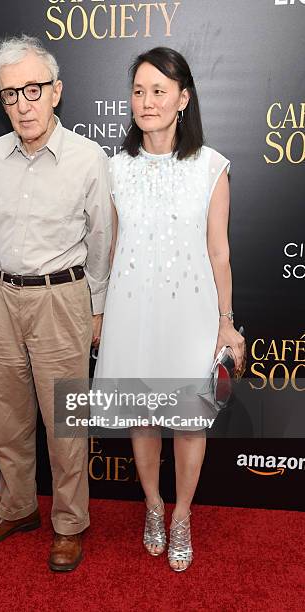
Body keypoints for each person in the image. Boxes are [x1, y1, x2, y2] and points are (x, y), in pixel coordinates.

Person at [94, 47, 245, 571]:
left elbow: (220, 252)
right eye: (138, 91)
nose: (146, 101)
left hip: (192, 313)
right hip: (132, 309)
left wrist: (226, 323)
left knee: (188, 423)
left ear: (183, 99)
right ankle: (152, 507)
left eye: (159, 91)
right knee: (142, 418)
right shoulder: (114, 169)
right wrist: (99, 313)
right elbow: (111, 251)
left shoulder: (211, 166)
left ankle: (182, 515)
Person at [0, 34, 112, 572]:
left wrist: (94, 308)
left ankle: (70, 523)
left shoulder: (88, 159)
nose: (22, 103)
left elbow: (102, 241)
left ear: (57, 92)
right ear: (1, 101)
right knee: (7, 418)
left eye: (33, 90)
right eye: (10, 94)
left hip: (61, 300)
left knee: (66, 424)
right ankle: (18, 508)